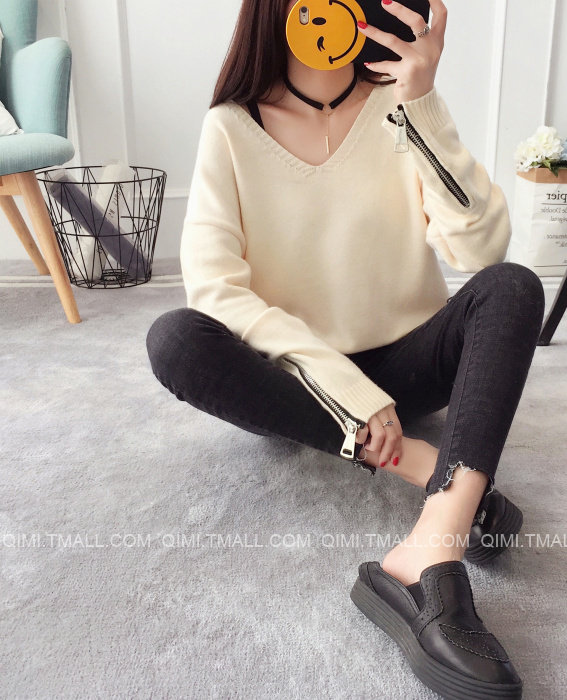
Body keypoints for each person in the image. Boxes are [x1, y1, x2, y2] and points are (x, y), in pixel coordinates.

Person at [146, 1, 545, 697]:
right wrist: (348, 391)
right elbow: (216, 291)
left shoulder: (400, 107)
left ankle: (431, 545)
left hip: (408, 361)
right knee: (175, 338)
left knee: (511, 288)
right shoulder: (232, 127)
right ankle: (428, 467)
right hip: (299, 383)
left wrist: (421, 104)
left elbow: (483, 249)